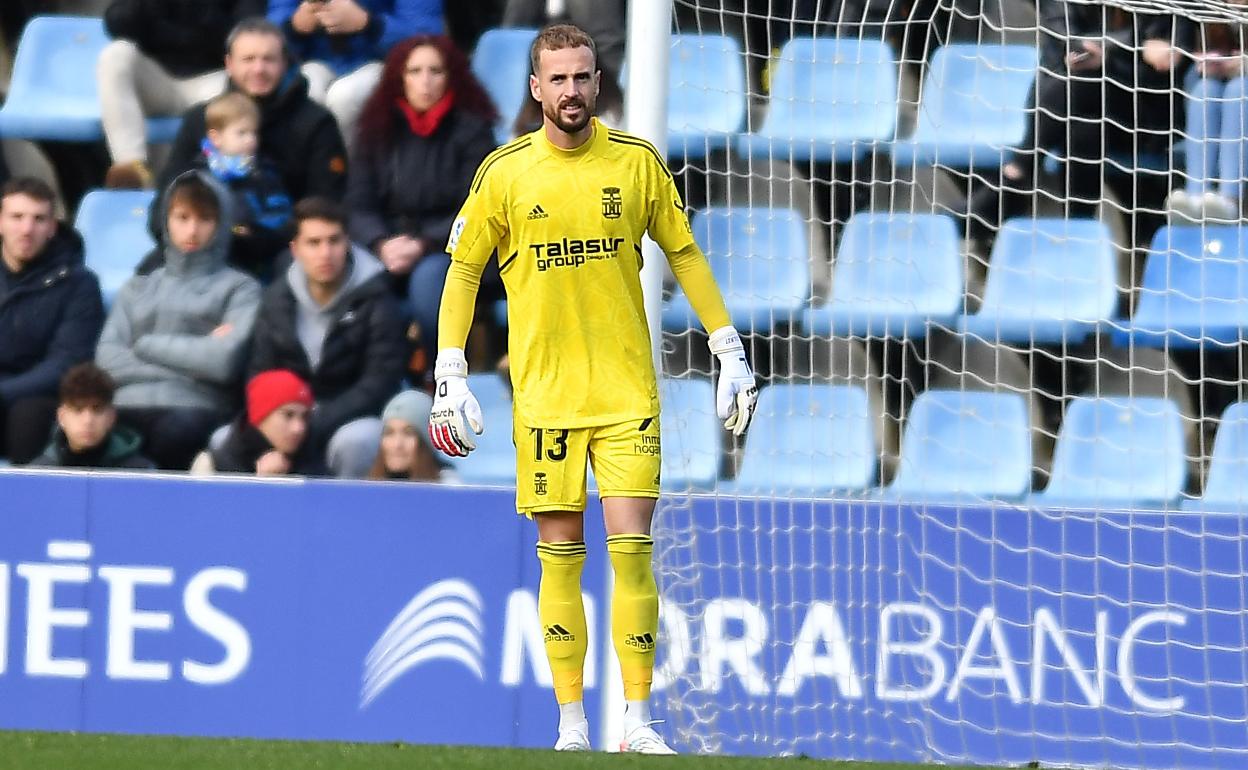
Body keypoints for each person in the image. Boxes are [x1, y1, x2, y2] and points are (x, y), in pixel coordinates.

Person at [427, 24, 759, 754]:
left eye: (583, 76)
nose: (572, 90)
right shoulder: (505, 173)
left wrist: (727, 346)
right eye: (559, 79)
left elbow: (684, 252)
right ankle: (571, 725)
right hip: (546, 397)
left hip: (626, 393)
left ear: (598, 83)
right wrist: (450, 369)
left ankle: (637, 722)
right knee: (560, 554)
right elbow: (463, 271)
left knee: (633, 552)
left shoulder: (636, 163)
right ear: (535, 88)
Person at [968, 2, 1180, 244]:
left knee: (1085, 83)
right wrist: (1106, 49)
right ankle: (1078, 232)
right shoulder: (1062, 5)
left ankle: (1017, 172)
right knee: (1085, 122)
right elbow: (1063, 39)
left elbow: (1165, 59)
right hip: (1070, 113)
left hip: (1138, 117)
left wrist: (1108, 57)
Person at [349, 34, 498, 371]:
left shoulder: (473, 129)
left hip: (449, 248)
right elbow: (358, 203)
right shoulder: (376, 128)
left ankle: (439, 372)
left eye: (436, 71)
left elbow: (476, 207)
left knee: (429, 283)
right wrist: (381, 242)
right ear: (399, 77)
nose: (425, 81)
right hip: (387, 244)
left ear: (451, 76)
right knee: (353, 275)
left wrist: (422, 244)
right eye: (415, 71)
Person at [96, 172, 262, 470]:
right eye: (182, 218)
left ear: (221, 224)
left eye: (205, 219)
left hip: (195, 408)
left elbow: (223, 362)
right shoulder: (137, 287)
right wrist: (193, 359)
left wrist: (144, 345)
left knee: (174, 433)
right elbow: (106, 360)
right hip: (126, 404)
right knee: (81, 430)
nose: (192, 230)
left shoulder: (241, 289)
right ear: (166, 220)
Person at [247, 197, 407, 478]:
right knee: (223, 439)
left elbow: (380, 381)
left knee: (356, 442)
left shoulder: (376, 297)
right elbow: (260, 375)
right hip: (290, 416)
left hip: (355, 417)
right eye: (314, 243)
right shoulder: (276, 299)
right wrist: (282, 422)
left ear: (348, 243)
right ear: (295, 249)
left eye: (334, 241)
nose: (326, 253)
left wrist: (317, 421)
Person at [154, 17, 348, 239]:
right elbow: (167, 193)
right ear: (229, 64)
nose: (258, 69)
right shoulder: (200, 119)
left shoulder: (317, 123)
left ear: (284, 63)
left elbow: (326, 204)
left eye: (269, 59)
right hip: (200, 241)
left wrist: (261, 241)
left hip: (287, 245)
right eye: (248, 59)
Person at [97, 0, 265, 189]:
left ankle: (234, 175)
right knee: (115, 55)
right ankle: (132, 169)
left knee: (247, 70)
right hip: (159, 79)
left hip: (214, 79)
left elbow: (246, 31)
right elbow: (115, 23)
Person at [0, 177, 105, 464]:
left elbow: (65, 364)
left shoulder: (79, 283)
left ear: (52, 228)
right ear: (1, 222)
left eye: (38, 219)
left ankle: (27, 491)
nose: (26, 229)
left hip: (40, 395)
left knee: (29, 415)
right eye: (17, 217)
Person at [267, 0, 445, 141]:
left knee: (345, 97)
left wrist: (369, 24)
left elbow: (426, 36)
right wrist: (294, 26)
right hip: (315, 60)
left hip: (382, 62)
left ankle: (348, 172)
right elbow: (272, 24)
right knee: (307, 89)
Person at [197, 92, 293, 280]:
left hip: (257, 253)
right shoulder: (201, 173)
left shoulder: (263, 173)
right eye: (241, 133)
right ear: (216, 138)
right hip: (213, 253)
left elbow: (280, 211)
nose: (250, 140)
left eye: (254, 133)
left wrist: (257, 231)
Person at [1167, 9, 1248, 222]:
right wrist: (1208, 65)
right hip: (1221, 83)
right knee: (1205, 90)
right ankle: (1195, 196)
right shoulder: (1213, 12)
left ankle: (1230, 199)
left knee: (1238, 91)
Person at [190, 368, 325, 475]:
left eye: (305, 417)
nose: (299, 428)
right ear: (260, 416)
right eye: (288, 415)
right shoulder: (212, 466)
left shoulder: (316, 462)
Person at [31, 363, 155, 470]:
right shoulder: (38, 474)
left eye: (97, 410)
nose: (88, 421)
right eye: (78, 410)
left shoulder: (141, 473)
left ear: (111, 417)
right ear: (61, 417)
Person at [368, 389, 455, 480]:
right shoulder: (368, 484)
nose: (397, 444)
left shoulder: (449, 485)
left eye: (408, 433)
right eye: (389, 433)